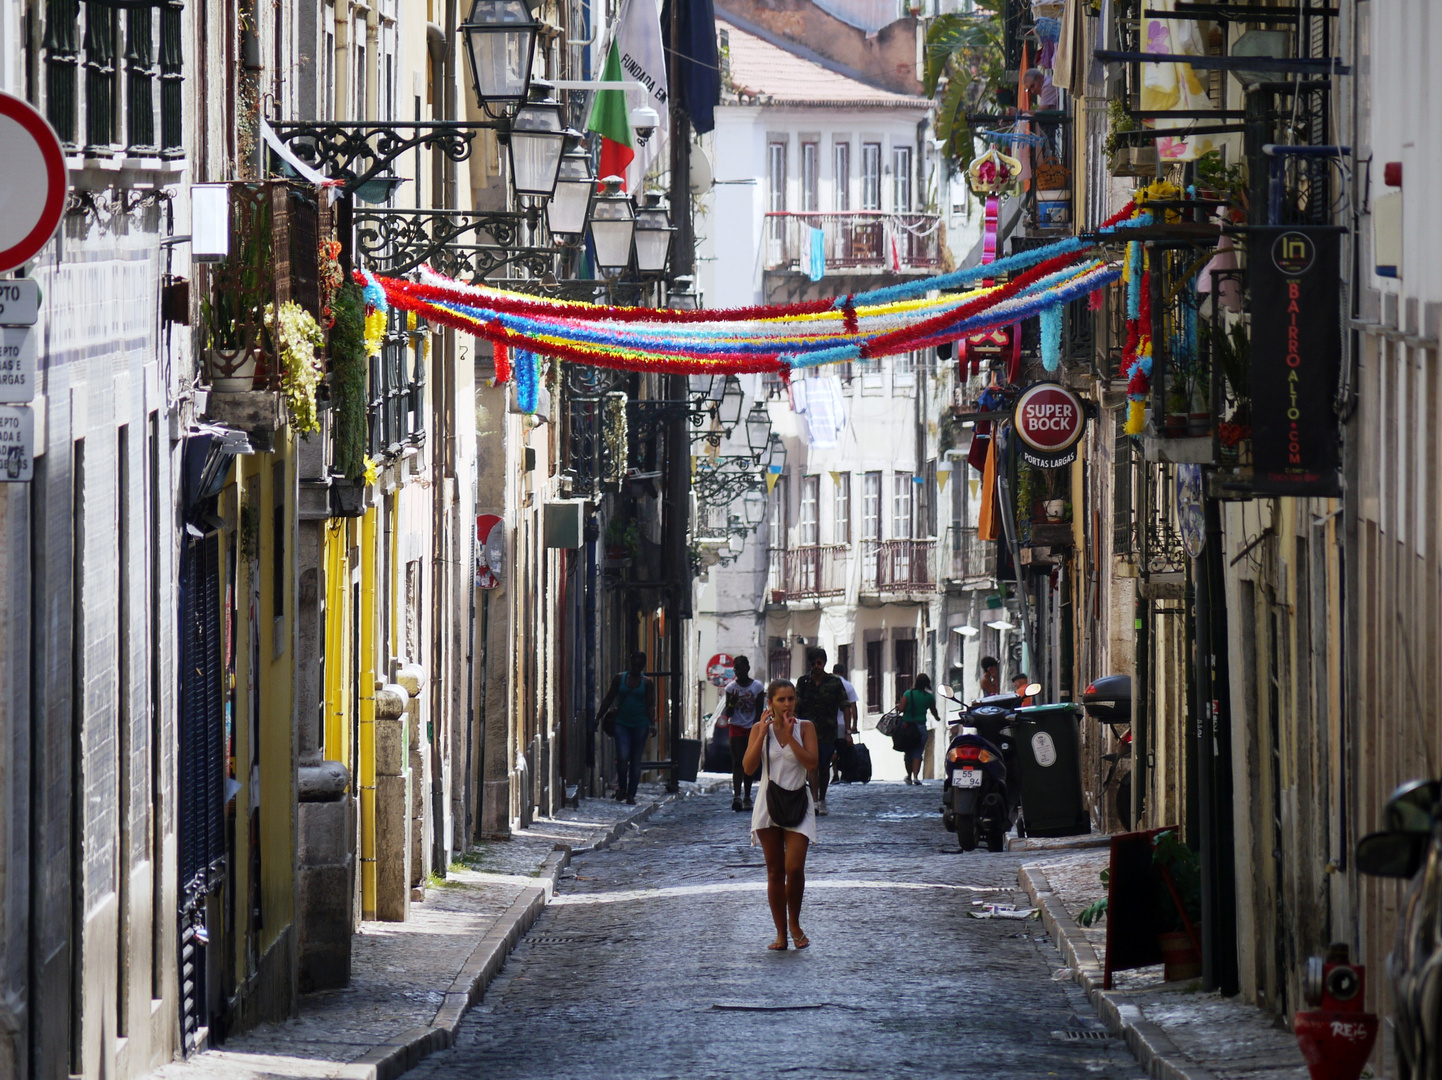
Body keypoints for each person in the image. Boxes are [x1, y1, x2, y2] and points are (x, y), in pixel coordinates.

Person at [743, 679, 818, 951]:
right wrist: (763, 734)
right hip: (769, 804)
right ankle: (781, 934)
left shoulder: (805, 728)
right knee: (775, 871)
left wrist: (789, 738)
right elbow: (748, 768)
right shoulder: (758, 729)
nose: (787, 704)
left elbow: (812, 763)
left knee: (794, 868)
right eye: (781, 700)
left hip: (799, 800)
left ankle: (795, 923)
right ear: (770, 704)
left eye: (791, 699)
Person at [596, 651, 656, 805]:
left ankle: (631, 794)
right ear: (630, 663)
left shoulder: (647, 683)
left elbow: (650, 705)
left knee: (635, 760)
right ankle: (622, 788)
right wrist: (598, 716)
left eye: (639, 664)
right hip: (621, 723)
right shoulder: (619, 678)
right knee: (622, 758)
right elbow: (609, 697)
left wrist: (652, 724)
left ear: (642, 665)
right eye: (634, 663)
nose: (636, 667)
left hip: (640, 725)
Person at [793, 647, 847, 816]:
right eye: (813, 663)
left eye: (819, 663)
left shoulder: (834, 682)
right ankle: (814, 801)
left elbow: (845, 706)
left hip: (827, 731)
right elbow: (796, 705)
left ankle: (822, 798)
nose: (816, 666)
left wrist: (848, 731)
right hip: (807, 731)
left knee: (824, 767)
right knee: (812, 766)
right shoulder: (803, 682)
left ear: (824, 663)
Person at [720, 655, 765, 811]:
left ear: (747, 668)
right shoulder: (730, 688)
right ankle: (737, 796)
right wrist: (732, 701)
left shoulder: (757, 687)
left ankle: (747, 795)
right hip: (736, 726)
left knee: (749, 763)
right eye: (735, 668)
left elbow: (759, 710)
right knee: (737, 761)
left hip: (751, 727)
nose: (738, 671)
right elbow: (729, 712)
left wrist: (757, 729)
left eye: (740, 668)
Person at [895, 673, 941, 785]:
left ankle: (909, 776)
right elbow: (933, 710)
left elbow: (901, 709)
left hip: (906, 727)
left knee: (908, 752)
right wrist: (937, 717)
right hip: (920, 727)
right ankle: (916, 776)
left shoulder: (908, 694)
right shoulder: (929, 697)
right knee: (918, 752)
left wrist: (899, 706)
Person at [830, 663, 859, 784]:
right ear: (843, 672)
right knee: (844, 750)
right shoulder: (848, 686)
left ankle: (835, 774)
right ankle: (845, 774)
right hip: (844, 724)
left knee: (833, 750)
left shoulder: (829, 685)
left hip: (830, 723)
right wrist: (854, 725)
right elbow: (853, 707)